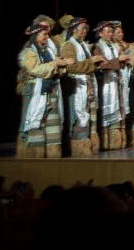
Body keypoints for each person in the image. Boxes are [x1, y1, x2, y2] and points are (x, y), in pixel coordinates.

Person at [16, 16, 74, 158]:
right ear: (36, 35)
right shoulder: (30, 51)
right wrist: (56, 64)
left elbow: (53, 68)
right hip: (35, 91)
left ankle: (53, 154)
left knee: (52, 123)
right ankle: (34, 154)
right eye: (44, 34)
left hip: (51, 91)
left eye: (48, 34)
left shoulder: (48, 50)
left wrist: (63, 66)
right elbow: (36, 69)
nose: (47, 37)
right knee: (36, 122)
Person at [59, 17, 104, 156]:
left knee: (89, 114)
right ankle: (78, 146)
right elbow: (71, 67)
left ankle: (88, 144)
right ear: (74, 30)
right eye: (82, 29)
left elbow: (86, 64)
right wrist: (91, 62)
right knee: (78, 116)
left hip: (88, 85)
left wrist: (96, 63)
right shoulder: (69, 45)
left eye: (86, 29)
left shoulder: (83, 44)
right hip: (77, 86)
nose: (85, 31)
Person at [94, 21, 129, 151]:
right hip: (105, 83)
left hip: (115, 81)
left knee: (118, 108)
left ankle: (116, 141)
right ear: (100, 33)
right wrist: (117, 61)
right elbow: (101, 65)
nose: (110, 34)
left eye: (111, 32)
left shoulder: (114, 46)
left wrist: (123, 61)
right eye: (107, 32)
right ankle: (106, 142)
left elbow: (117, 61)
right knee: (106, 109)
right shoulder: (98, 46)